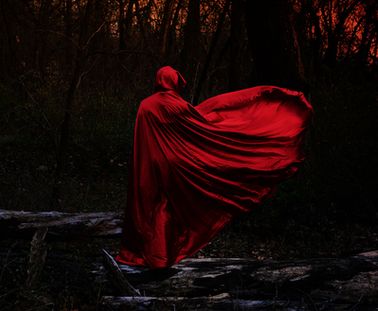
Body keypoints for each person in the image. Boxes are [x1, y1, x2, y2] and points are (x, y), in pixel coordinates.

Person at [115, 66, 313, 269]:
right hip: (178, 163)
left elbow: (142, 139)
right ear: (173, 82)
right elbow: (199, 128)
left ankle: (152, 254)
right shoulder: (178, 105)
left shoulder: (145, 105)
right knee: (171, 206)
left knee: (154, 204)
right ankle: (161, 256)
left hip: (151, 163)